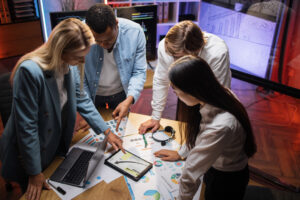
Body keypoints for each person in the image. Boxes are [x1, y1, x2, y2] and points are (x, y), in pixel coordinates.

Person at [0, 18, 123, 200]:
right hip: (28, 153)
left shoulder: (70, 64)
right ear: (60, 51)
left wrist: (107, 131)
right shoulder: (29, 72)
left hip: (53, 143)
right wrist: (34, 172)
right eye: (78, 56)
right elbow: (28, 128)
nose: (82, 60)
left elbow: (81, 98)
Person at [154, 55, 256, 200]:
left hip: (226, 180)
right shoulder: (218, 95)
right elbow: (200, 133)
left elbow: (191, 172)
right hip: (218, 166)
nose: (174, 93)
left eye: (175, 89)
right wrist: (181, 153)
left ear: (192, 90)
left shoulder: (221, 126)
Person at [139, 20, 231, 135]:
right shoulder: (167, 46)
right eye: (171, 55)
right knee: (186, 132)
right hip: (187, 95)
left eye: (177, 57)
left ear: (195, 52)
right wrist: (155, 117)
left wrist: (206, 133)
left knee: (208, 133)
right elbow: (161, 81)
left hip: (214, 99)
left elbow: (217, 97)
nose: (173, 62)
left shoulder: (217, 52)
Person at [84, 3, 147, 130]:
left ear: (116, 24)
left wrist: (129, 99)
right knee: (92, 132)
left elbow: (139, 71)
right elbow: (80, 79)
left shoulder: (135, 32)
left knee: (122, 131)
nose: (102, 44)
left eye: (108, 40)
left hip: (121, 93)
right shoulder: (80, 34)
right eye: (97, 41)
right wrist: (88, 112)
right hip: (92, 95)